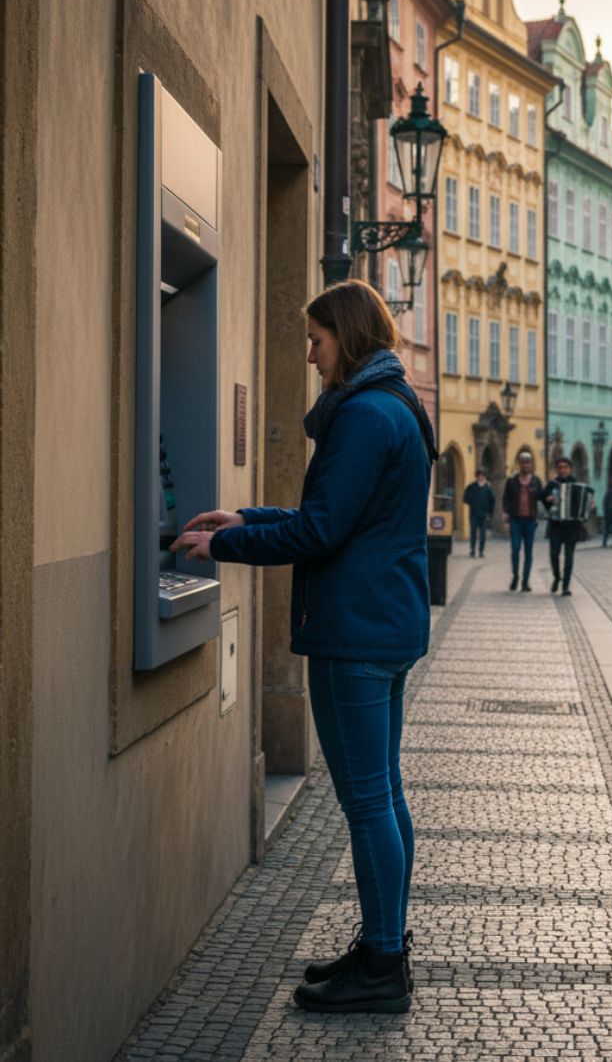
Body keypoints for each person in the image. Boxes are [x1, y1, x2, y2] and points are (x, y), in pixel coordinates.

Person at [172, 279, 432, 1014]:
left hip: (356, 632)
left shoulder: (363, 415)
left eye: (316, 341)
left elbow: (321, 532)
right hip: (384, 624)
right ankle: (385, 944)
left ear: (345, 338)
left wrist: (225, 543)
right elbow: (338, 515)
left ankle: (382, 966)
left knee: (370, 801)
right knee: (385, 794)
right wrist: (247, 514)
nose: (311, 357)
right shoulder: (397, 407)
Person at [543, 455, 589, 596]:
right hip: (556, 525)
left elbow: (585, 502)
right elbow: (543, 500)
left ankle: (566, 586)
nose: (563, 470)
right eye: (560, 468)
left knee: (569, 557)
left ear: (570, 469)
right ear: (557, 469)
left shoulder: (577, 485)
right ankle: (557, 577)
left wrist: (589, 505)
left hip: (572, 526)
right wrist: (548, 499)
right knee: (553, 554)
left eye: (565, 467)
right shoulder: (552, 485)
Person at [502, 451, 544, 591]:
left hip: (530, 520)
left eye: (528, 462)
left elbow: (542, 498)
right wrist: (506, 518)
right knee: (515, 549)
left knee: (528, 552)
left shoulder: (536, 481)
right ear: (519, 464)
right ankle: (515, 577)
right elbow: (506, 500)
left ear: (531, 464)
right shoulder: (512, 481)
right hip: (515, 520)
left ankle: (525, 581)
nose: (525, 464)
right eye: (523, 462)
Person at [462, 469, 495, 557]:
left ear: (484, 476)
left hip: (483, 514)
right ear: (476, 476)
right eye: (479, 475)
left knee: (483, 534)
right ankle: (472, 549)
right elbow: (465, 497)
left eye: (482, 475)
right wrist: (472, 502)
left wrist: (490, 513)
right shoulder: (472, 486)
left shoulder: (487, 488)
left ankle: (481, 551)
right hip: (473, 514)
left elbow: (492, 501)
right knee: (473, 532)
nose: (480, 477)